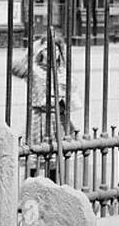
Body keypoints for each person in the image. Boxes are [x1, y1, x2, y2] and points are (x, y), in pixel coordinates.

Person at [11, 27, 77, 179]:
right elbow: (15, 68)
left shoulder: (63, 73)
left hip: (56, 119)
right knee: (34, 157)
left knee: (53, 158)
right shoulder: (34, 71)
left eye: (55, 50)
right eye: (47, 50)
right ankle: (31, 185)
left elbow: (72, 98)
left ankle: (52, 185)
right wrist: (34, 49)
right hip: (37, 117)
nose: (50, 54)